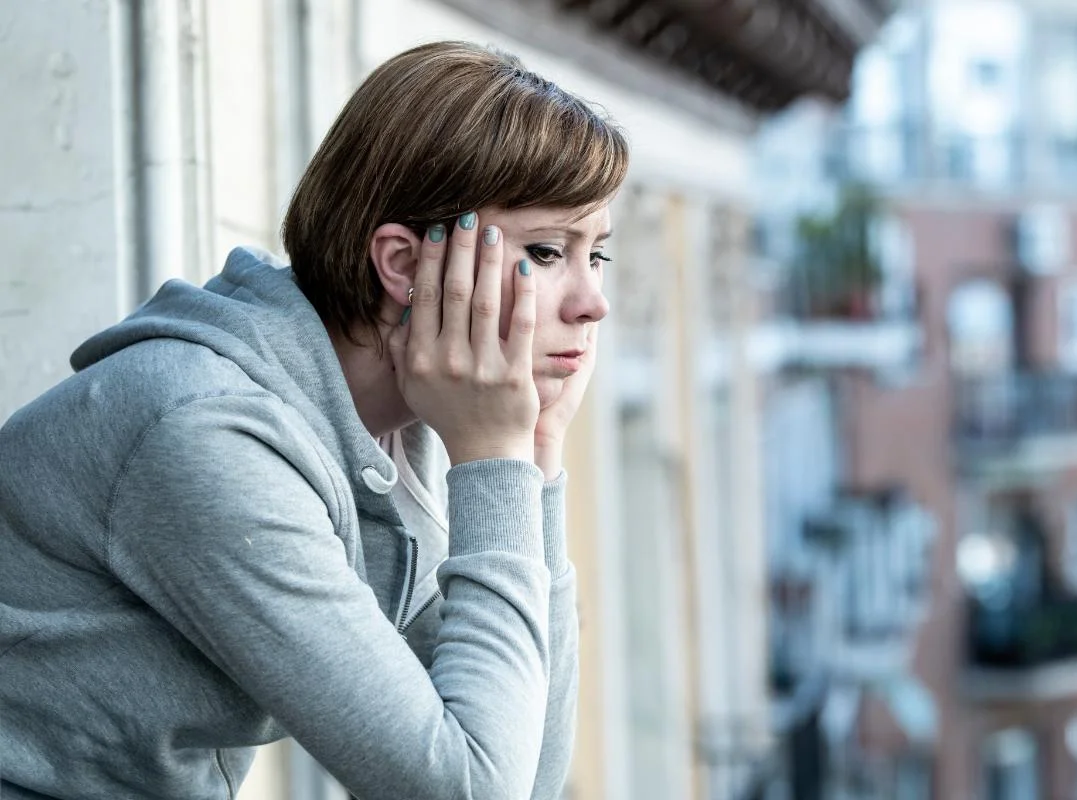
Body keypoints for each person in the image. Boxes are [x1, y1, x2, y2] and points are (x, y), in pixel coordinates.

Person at [0, 40, 626, 799]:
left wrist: (533, 453)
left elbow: (526, 775)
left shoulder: (420, 428)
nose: (591, 303)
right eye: (549, 250)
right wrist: (497, 458)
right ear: (403, 265)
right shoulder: (207, 431)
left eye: (598, 256)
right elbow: (463, 791)